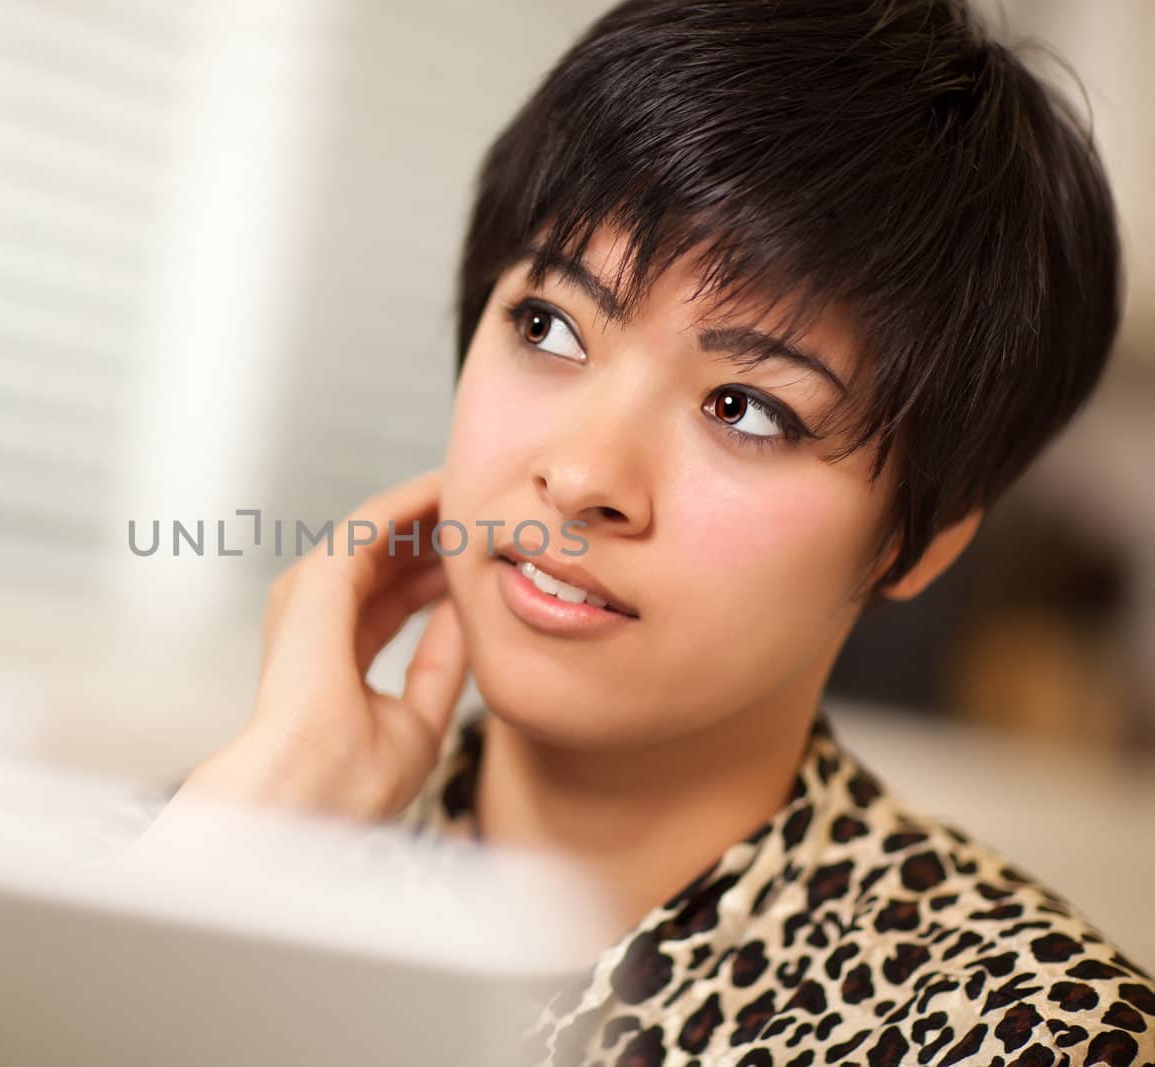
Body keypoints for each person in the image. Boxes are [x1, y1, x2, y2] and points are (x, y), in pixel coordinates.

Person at [153, 0, 1155, 1062]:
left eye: (746, 409)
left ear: (924, 536)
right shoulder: (219, 851)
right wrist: (229, 848)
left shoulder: (1029, 1032)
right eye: (549, 326)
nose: (582, 474)